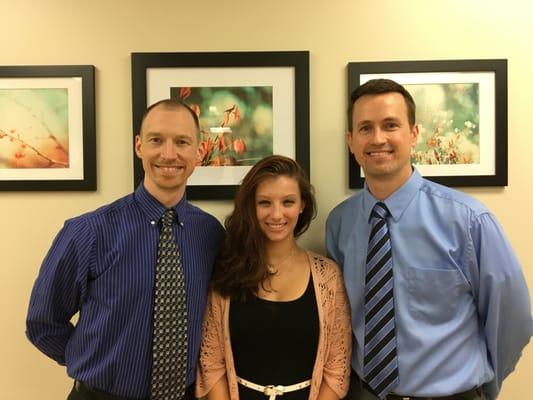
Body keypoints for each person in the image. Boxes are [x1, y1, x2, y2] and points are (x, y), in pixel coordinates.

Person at [326, 78, 533, 400]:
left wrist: (481, 388)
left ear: (414, 134)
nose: (378, 138)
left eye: (390, 125)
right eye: (365, 128)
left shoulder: (468, 220)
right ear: (351, 141)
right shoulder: (340, 223)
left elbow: (513, 320)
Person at [26, 99, 225, 400]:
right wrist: (90, 361)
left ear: (199, 152)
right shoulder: (88, 232)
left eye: (181, 142)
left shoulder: (211, 235)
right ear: (139, 147)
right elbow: (43, 322)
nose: (168, 154)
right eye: (156, 140)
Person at [195, 155, 351, 400]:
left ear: (302, 205)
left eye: (288, 202)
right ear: (251, 206)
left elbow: (336, 367)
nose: (276, 214)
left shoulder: (328, 277)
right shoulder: (227, 269)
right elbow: (212, 363)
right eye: (265, 202)